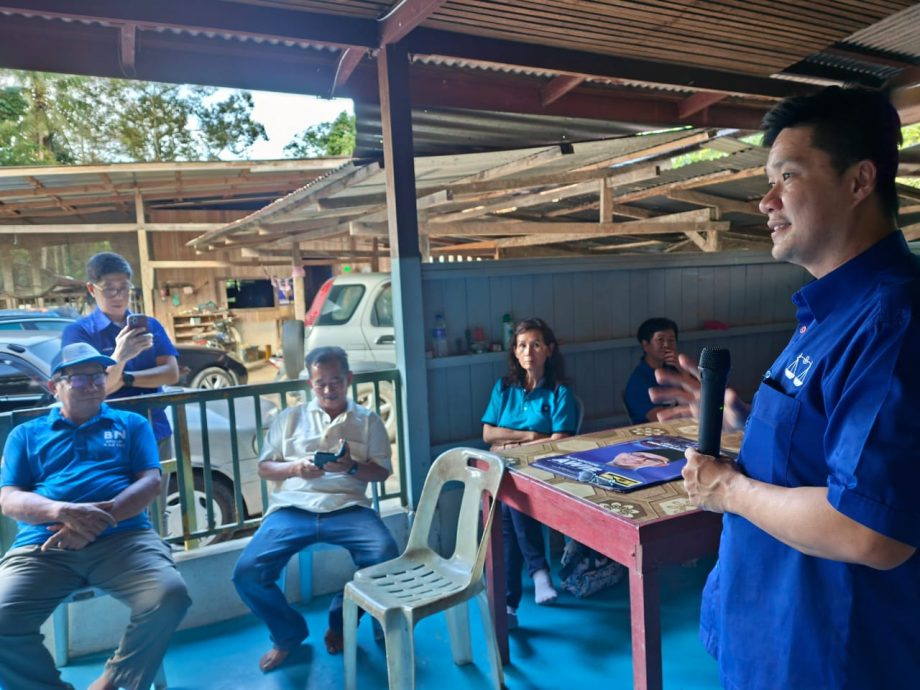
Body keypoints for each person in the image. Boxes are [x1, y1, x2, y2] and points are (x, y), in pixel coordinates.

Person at [652, 87, 920, 690]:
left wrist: (729, 490)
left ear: (859, 182)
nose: (767, 201)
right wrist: (740, 424)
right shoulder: (829, 313)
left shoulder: (892, 321)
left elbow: (871, 529)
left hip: (831, 658)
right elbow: (823, 447)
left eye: (788, 176)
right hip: (770, 635)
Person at [0, 342, 191, 690]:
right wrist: (61, 512)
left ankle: (114, 681)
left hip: (124, 539)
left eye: (99, 375)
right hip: (44, 545)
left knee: (169, 595)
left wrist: (100, 521)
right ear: (53, 386)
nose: (92, 383)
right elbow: (9, 498)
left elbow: (150, 481)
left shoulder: (131, 424)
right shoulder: (25, 435)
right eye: (79, 377)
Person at [232, 346, 398, 672]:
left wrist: (350, 468)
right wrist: (296, 468)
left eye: (335, 381)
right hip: (293, 509)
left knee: (385, 555)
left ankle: (340, 618)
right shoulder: (288, 418)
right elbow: (265, 468)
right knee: (247, 573)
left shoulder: (368, 421)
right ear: (310, 383)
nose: (328, 390)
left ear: (348, 379)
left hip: (348, 508)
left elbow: (381, 472)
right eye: (320, 383)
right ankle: (288, 634)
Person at [481, 317, 579, 628]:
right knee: (511, 503)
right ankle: (537, 574)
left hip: (541, 471)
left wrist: (509, 443)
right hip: (507, 469)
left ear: (549, 350)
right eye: (522, 345)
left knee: (512, 503)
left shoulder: (559, 393)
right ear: (515, 351)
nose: (529, 352)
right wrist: (530, 438)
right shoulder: (504, 387)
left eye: (536, 345)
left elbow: (559, 442)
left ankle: (510, 603)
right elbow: (487, 434)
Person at [62, 251, 180, 461]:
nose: (119, 296)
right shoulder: (79, 333)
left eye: (124, 288)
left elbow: (171, 374)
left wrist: (124, 379)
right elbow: (96, 390)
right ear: (92, 289)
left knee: (156, 492)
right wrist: (120, 356)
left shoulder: (150, 325)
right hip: (106, 436)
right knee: (116, 494)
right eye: (109, 289)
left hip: (156, 430)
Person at [623, 317, 680, 424]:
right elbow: (661, 419)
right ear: (645, 345)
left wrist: (682, 369)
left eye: (671, 340)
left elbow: (702, 398)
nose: (666, 345)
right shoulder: (639, 381)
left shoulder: (675, 370)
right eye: (660, 340)